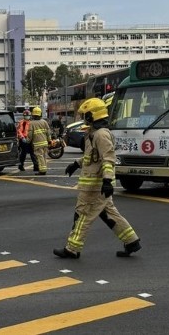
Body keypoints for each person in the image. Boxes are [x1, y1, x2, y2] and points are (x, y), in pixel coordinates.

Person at [54, 97, 141, 259]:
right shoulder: (93, 134)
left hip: (95, 186)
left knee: (82, 215)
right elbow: (91, 157)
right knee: (110, 214)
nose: (82, 118)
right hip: (96, 185)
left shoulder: (101, 135)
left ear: (91, 116)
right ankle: (131, 241)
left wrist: (107, 181)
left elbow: (108, 159)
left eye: (85, 115)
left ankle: (72, 248)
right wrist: (76, 164)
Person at [27, 106, 51, 175]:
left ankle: (42, 171)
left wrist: (27, 141)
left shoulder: (32, 123)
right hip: (45, 143)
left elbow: (30, 134)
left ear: (33, 115)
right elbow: (48, 132)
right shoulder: (44, 122)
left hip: (37, 144)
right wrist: (49, 140)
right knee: (43, 156)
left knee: (39, 157)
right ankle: (44, 169)